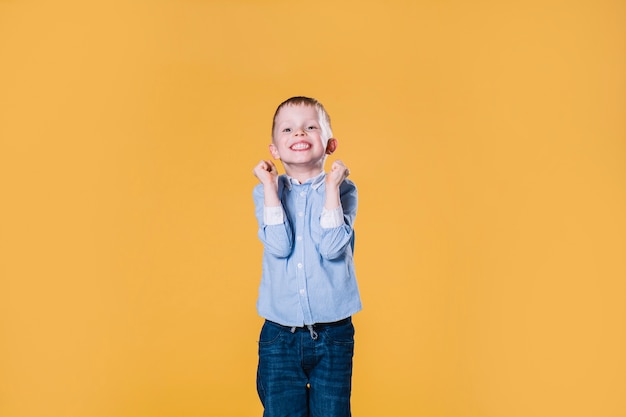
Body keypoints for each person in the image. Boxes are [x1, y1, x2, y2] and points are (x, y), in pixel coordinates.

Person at [252, 96, 362, 417]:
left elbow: (331, 247)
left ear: (330, 144)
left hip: (334, 334)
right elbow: (279, 245)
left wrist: (331, 187)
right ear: (275, 149)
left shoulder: (344, 190)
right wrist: (271, 187)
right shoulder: (265, 191)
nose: (299, 134)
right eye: (288, 129)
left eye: (310, 127)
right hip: (279, 335)